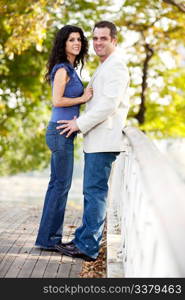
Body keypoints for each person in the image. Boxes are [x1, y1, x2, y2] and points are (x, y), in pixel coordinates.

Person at [55, 20, 130, 261]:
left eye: (103, 39)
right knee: (91, 192)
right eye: (95, 38)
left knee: (95, 193)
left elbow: (108, 105)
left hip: (104, 139)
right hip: (96, 139)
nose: (97, 43)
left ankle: (88, 247)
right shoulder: (104, 66)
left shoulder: (116, 67)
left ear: (114, 41)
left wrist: (79, 123)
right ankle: (83, 238)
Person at [35, 25, 93, 250]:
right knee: (60, 186)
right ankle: (50, 240)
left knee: (57, 186)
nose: (76, 43)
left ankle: (47, 238)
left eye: (79, 39)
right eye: (71, 40)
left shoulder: (70, 68)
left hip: (62, 133)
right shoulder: (62, 69)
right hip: (59, 133)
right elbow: (57, 101)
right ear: (63, 44)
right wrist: (84, 98)